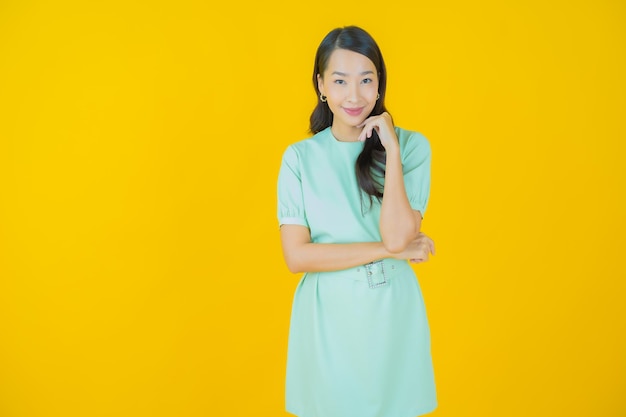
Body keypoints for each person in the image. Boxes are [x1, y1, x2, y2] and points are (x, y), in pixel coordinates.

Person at [277, 25, 437, 417]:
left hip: (392, 311)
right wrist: (388, 251)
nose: (354, 95)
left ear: (380, 83)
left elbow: (399, 233)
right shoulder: (299, 158)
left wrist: (393, 152)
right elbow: (297, 257)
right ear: (321, 85)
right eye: (340, 80)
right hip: (328, 315)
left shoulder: (412, 146)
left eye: (366, 80)